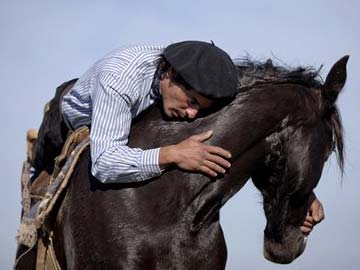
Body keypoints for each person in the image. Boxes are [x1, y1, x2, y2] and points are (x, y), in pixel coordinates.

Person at [38, 40, 325, 233]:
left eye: (198, 108)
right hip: (71, 117)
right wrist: (171, 154)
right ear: (170, 74)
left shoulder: (190, 83)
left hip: (138, 107)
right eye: (190, 101)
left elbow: (251, 137)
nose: (191, 114)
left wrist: (301, 195)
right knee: (39, 182)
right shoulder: (120, 80)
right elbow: (104, 163)